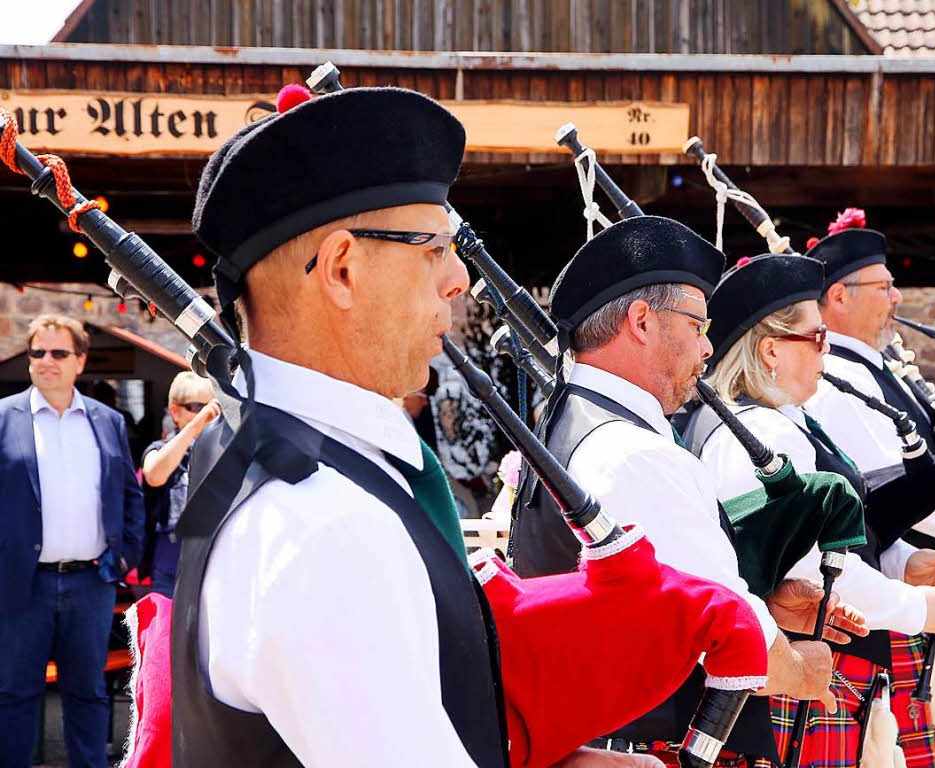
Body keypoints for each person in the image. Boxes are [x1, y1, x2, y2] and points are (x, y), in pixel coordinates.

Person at [170, 85, 761, 768]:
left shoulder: (248, 449)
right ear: (340, 269)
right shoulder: (327, 523)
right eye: (432, 249)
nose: (457, 280)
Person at [510, 216, 867, 766]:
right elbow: (736, 640)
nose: (707, 348)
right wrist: (802, 670)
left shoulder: (572, 422)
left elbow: (658, 607)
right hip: (661, 745)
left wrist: (770, 601)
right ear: (642, 321)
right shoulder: (635, 454)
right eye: (698, 326)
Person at [691, 253, 935, 768]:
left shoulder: (782, 422)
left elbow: (835, 534)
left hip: (803, 670)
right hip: (788, 684)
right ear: (771, 349)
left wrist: (901, 565)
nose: (827, 350)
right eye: (816, 337)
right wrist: (918, 609)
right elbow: (809, 576)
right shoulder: (764, 436)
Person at [801, 212, 935, 767]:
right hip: (870, 603)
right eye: (884, 286)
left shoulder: (878, 370)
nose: (897, 298)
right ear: (839, 297)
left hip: (903, 584)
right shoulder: (836, 382)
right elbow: (884, 491)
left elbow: (928, 444)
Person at [0, 313, 144, 768]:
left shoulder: (107, 421)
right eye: (37, 352)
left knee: (88, 693)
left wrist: (122, 559)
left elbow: (129, 494)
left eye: (59, 352)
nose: (46, 361)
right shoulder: (3, 419)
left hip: (91, 583)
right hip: (21, 585)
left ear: (80, 362)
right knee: (15, 694)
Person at [139, 371, 220, 597]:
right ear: (174, 411)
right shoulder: (159, 448)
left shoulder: (224, 452)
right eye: (196, 407)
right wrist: (194, 427)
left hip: (213, 565)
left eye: (211, 407)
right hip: (169, 566)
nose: (207, 414)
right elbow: (154, 474)